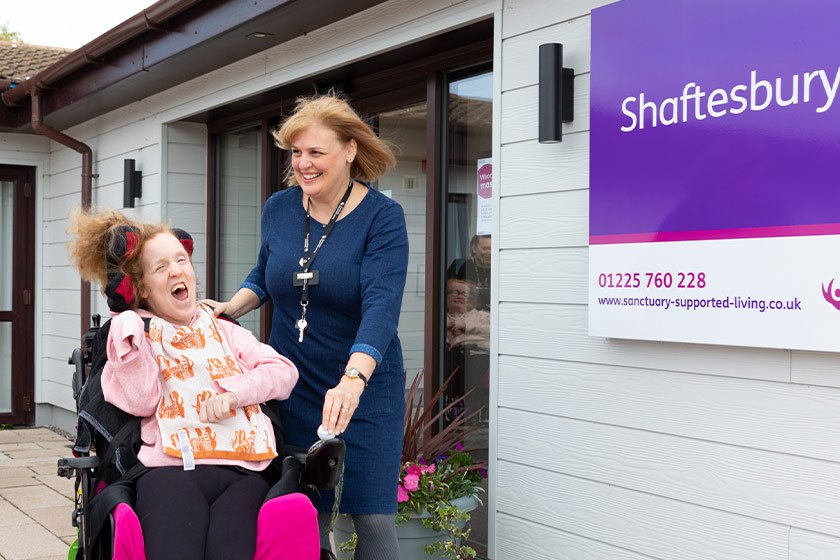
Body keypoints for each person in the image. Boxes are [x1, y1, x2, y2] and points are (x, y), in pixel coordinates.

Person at [205, 93, 409, 560]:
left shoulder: (382, 218)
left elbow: (381, 308)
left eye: (316, 152)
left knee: (373, 519)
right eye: (297, 152)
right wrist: (231, 307)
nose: (303, 163)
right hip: (291, 382)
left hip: (362, 389)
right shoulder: (279, 208)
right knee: (301, 512)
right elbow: (265, 274)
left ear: (351, 150)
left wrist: (352, 382)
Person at [67, 208, 300, 560]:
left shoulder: (223, 329)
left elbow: (283, 372)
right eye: (161, 267)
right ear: (141, 287)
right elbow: (142, 401)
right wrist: (126, 327)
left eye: (181, 260)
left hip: (243, 470)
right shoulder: (137, 333)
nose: (177, 269)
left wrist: (236, 393)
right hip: (168, 470)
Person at [448, 234, 491, 311]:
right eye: (485, 248)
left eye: (492, 249)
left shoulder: (501, 268)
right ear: (474, 248)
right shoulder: (459, 265)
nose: (489, 252)